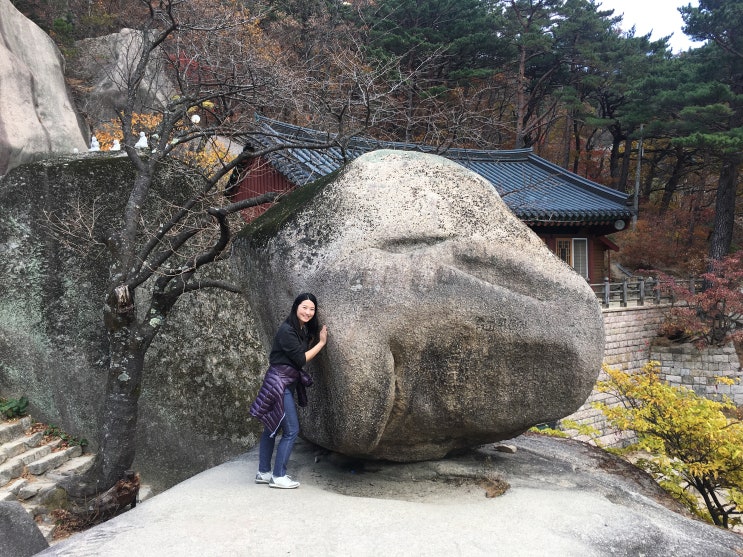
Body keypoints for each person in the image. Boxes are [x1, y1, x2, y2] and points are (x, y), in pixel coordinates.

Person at [249, 293, 328, 489]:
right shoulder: (287, 331)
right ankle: (278, 476)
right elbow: (300, 359)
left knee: (271, 427)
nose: (308, 312)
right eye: (304, 307)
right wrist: (321, 343)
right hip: (279, 385)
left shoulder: (299, 329)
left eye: (312, 309)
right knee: (291, 430)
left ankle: (263, 472)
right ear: (295, 307)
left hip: (279, 382)